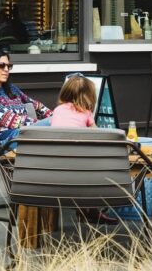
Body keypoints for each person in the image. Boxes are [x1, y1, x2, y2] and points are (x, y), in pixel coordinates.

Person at [50, 73, 118, 225]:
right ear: (89, 96)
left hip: (55, 168)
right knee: (95, 164)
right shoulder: (86, 114)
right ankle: (91, 211)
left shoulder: (58, 110)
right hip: (81, 172)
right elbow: (98, 136)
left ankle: (87, 211)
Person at [0, 50, 52, 145]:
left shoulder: (12, 89)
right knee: (54, 124)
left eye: (9, 66)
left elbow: (36, 105)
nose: (6, 69)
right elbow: (11, 120)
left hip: (24, 134)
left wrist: (53, 116)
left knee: (58, 122)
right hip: (6, 141)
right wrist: (45, 124)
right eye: (2, 65)